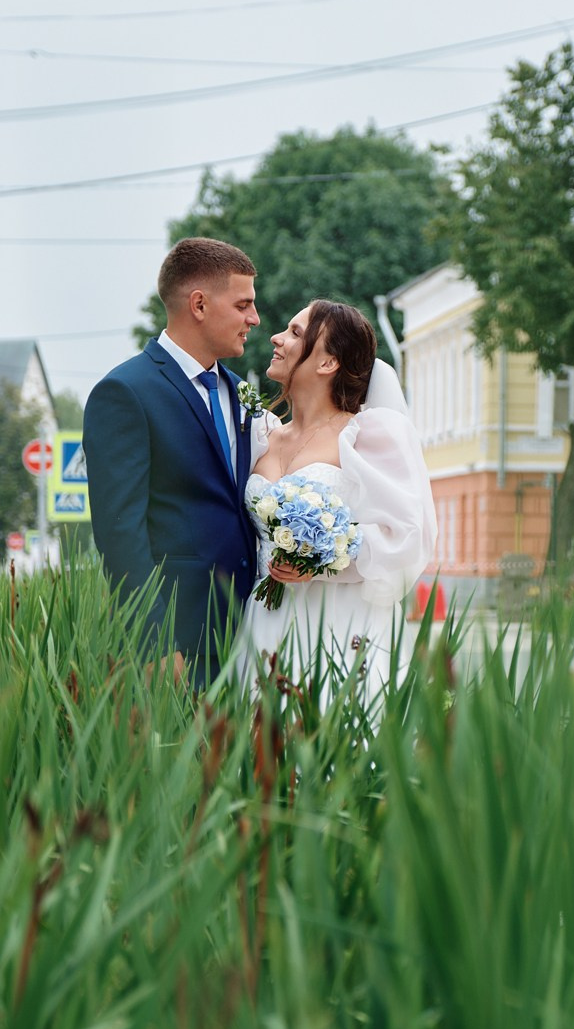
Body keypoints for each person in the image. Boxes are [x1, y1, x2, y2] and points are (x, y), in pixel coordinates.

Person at [83, 237, 263, 684]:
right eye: (243, 305)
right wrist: (155, 645)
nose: (254, 319)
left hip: (253, 637)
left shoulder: (239, 391)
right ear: (199, 304)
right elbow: (119, 532)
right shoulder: (126, 393)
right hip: (179, 646)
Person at [242, 299, 437, 698]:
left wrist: (320, 560)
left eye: (295, 333)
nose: (276, 338)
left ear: (328, 363)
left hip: (338, 623)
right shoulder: (260, 435)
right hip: (265, 617)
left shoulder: (368, 436)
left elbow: (406, 537)